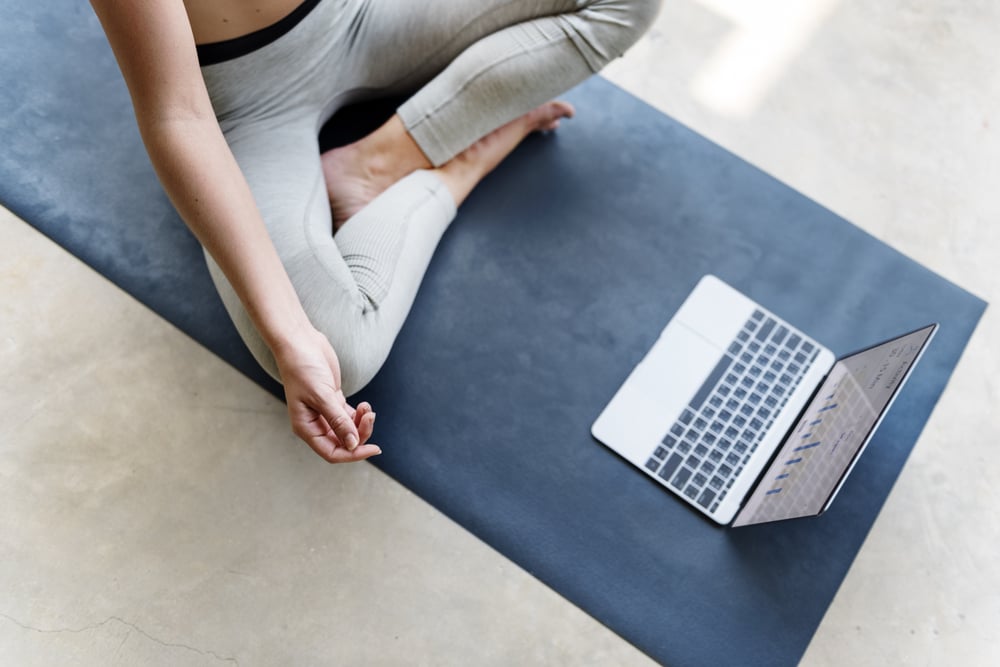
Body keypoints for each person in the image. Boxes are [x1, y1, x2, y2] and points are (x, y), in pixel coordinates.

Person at [89, 0, 660, 464]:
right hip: (244, 101)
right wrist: (292, 337)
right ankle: (464, 161)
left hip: (357, 15)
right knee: (336, 357)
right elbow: (176, 116)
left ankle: (382, 160)